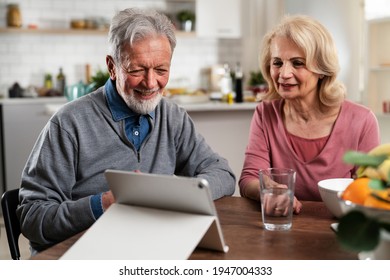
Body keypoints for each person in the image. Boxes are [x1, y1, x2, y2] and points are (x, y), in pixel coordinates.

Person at [16, 8, 235, 253]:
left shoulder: (173, 117)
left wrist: (184, 194)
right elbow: (33, 218)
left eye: (161, 70)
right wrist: (103, 205)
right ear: (112, 67)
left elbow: (223, 174)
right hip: (82, 254)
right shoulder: (68, 124)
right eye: (136, 70)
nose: (151, 83)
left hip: (146, 249)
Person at [239, 15, 380, 213]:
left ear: (322, 69)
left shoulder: (362, 120)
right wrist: (267, 190)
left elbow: (373, 190)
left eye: (297, 63)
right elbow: (249, 179)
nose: (284, 73)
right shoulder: (265, 113)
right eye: (277, 63)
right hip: (282, 227)